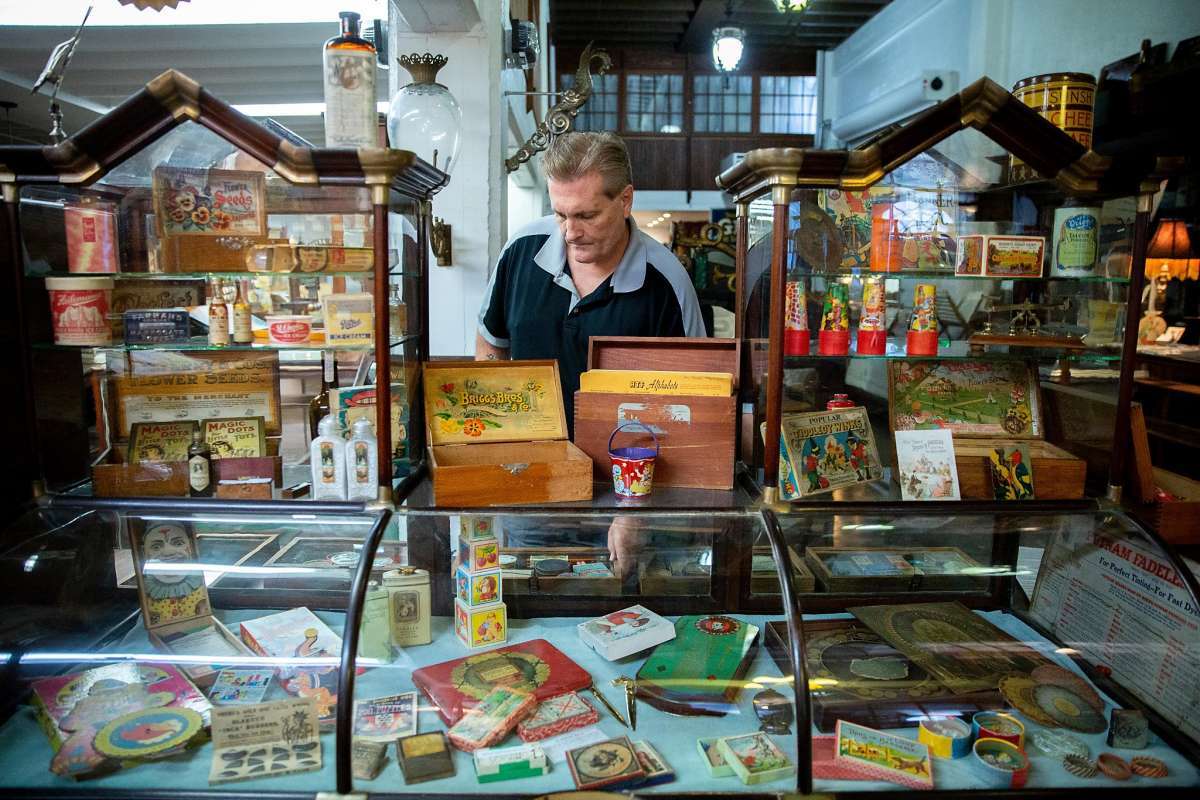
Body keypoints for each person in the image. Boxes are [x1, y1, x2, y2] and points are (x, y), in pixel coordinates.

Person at [476, 131, 705, 434]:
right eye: (560, 214)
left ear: (625, 200)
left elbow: (698, 396)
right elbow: (492, 343)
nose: (570, 233)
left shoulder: (668, 281)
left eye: (586, 216)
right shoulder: (520, 249)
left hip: (627, 470)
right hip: (531, 461)